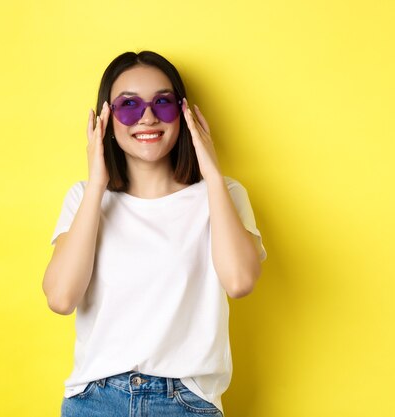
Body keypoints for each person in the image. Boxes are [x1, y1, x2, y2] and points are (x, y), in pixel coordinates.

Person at [43, 51, 267, 417]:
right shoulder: (84, 198)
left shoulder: (223, 193)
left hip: (186, 401)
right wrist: (97, 183)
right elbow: (61, 298)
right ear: (106, 118)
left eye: (162, 103)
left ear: (183, 114)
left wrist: (211, 175)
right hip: (95, 400)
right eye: (128, 105)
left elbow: (240, 281)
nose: (147, 116)